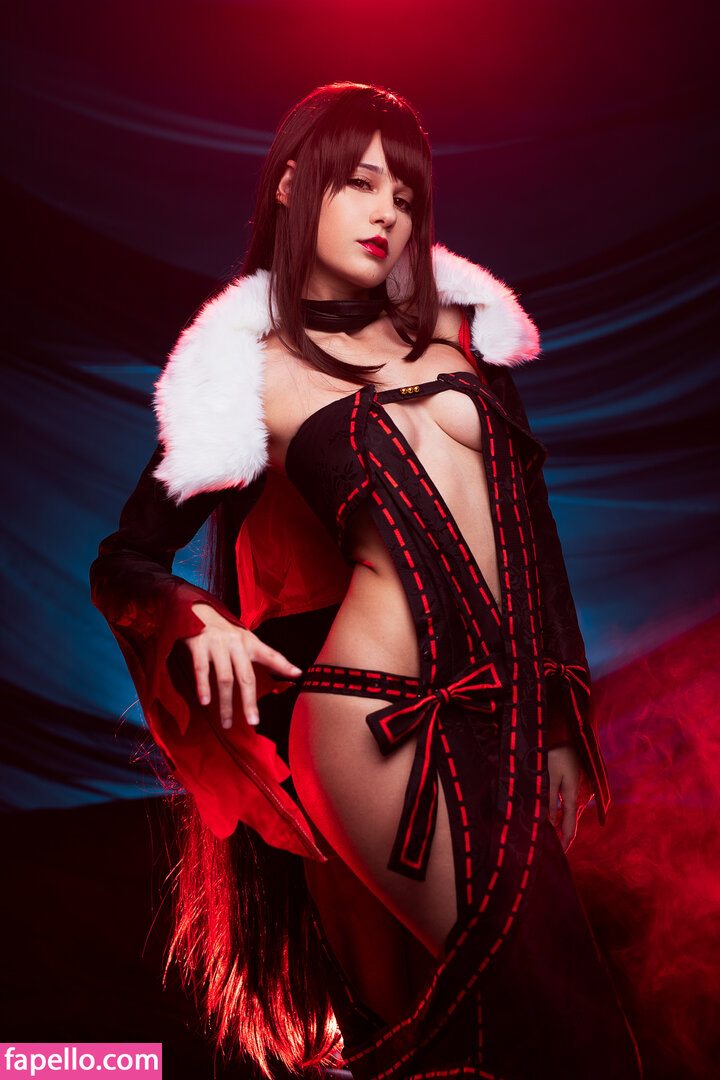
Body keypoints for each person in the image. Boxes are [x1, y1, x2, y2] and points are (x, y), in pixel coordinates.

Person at [90, 82, 642, 1078]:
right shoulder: (245, 369)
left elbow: (533, 530)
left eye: (406, 193)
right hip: (368, 714)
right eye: (359, 182)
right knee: (540, 1018)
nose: (387, 210)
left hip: (499, 711)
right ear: (293, 184)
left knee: (503, 1022)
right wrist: (194, 614)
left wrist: (561, 714)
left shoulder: (467, 334)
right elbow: (125, 557)